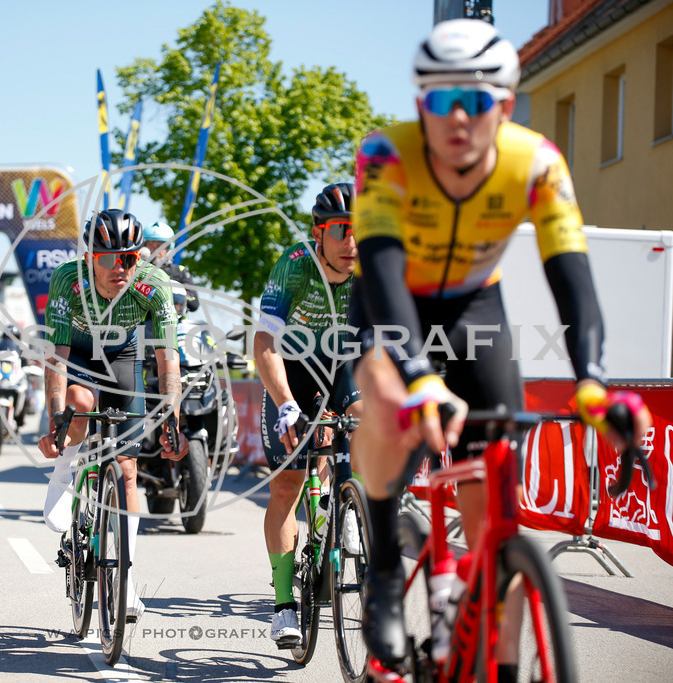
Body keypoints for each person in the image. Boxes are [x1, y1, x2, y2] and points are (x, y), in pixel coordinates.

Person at [349, 19, 652, 680]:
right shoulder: (384, 155)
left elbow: (570, 272)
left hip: (472, 307)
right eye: (439, 100)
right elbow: (378, 268)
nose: (458, 117)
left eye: (478, 101)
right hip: (394, 297)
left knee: (499, 512)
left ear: (506, 105)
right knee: (390, 392)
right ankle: (380, 568)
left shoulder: (538, 162)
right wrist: (418, 375)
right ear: (418, 104)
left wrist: (592, 381)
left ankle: (499, 660)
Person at [38, 208, 189, 622]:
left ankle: (123, 583)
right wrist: (57, 418)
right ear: (90, 259)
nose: (120, 267)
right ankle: (66, 469)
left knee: (126, 471)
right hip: (80, 355)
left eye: (130, 258)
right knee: (81, 404)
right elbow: (57, 357)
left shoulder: (153, 283)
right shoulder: (69, 279)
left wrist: (172, 414)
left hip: (123, 357)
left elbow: (167, 357)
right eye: (109, 258)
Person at [254, 183, 363, 646]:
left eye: (361, 230)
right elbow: (263, 343)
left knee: (364, 417)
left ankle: (351, 506)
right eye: (341, 231)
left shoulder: (373, 267)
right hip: (293, 370)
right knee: (288, 485)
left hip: (345, 365)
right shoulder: (295, 267)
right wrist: (285, 404)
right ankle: (282, 606)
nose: (351, 242)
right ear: (318, 234)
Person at [142, 221, 200, 313]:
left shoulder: (179, 271)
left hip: (172, 324)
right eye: (150, 245)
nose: (155, 250)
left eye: (159, 246)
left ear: (168, 249)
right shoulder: (134, 270)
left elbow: (194, 303)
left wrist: (173, 293)